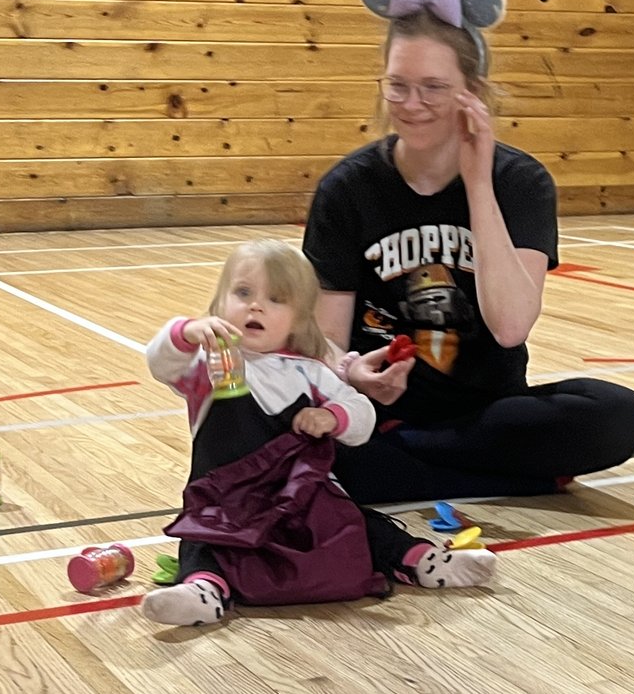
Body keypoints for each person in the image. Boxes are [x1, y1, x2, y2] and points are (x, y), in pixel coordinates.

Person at [302, 0, 634, 504]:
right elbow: (323, 341)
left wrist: (478, 182)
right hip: (376, 405)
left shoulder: (520, 183)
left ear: (474, 94)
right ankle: (508, 480)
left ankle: (401, 465)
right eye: (398, 86)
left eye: (434, 89)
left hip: (488, 411)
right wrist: (352, 372)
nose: (412, 106)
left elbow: (510, 326)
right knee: (277, 415)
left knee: (620, 415)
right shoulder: (347, 189)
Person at [139, 239, 497, 628]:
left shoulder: (311, 372)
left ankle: (421, 560)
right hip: (228, 502)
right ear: (220, 301)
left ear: (298, 319)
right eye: (242, 293)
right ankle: (203, 589)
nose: (255, 306)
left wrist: (332, 418)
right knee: (202, 537)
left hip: (305, 498)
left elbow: (362, 418)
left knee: (361, 524)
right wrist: (185, 331)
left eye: (275, 299)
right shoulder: (208, 365)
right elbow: (159, 361)